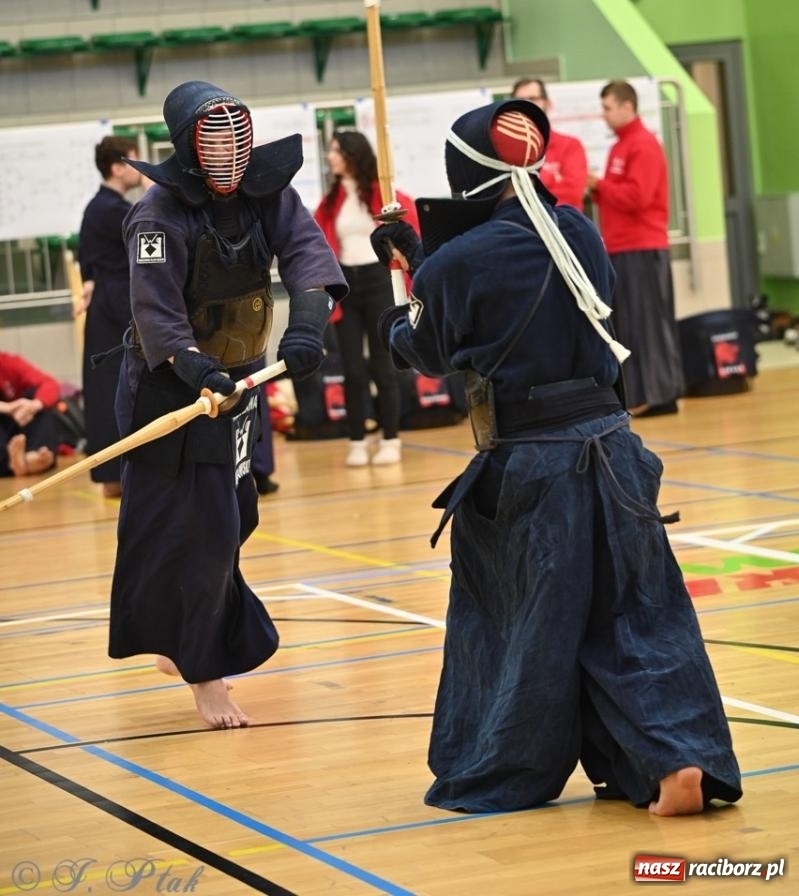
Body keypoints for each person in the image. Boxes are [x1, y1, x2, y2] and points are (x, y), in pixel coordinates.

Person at [370, 97, 742, 817]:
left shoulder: (459, 262)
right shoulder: (580, 231)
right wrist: (419, 260)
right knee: (637, 618)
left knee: (515, 628)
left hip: (531, 471)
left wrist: (401, 301)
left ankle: (500, 765)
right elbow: (513, 291)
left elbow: (425, 349)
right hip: (616, 452)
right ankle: (673, 760)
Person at [109, 80, 346, 729]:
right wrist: (194, 367)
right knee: (195, 529)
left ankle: (181, 640)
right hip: (172, 390)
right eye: (212, 145)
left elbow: (308, 258)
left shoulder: (268, 193)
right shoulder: (157, 213)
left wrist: (304, 327)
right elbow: (155, 310)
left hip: (240, 384)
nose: (227, 159)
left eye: (234, 143)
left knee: (233, 519)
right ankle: (204, 671)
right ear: (188, 148)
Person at [314, 130, 419, 467]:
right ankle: (357, 439)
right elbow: (316, 242)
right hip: (346, 285)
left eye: (335, 151)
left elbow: (408, 220)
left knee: (382, 365)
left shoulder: (382, 193)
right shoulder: (330, 203)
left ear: (353, 155)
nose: (330, 157)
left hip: (378, 280)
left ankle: (391, 438)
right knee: (352, 370)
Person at [586, 79, 684, 415]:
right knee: (630, 323)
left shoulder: (643, 145)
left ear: (628, 106)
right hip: (621, 247)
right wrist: (600, 188)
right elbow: (620, 192)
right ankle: (642, 392)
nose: (604, 115)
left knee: (648, 324)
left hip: (642, 246)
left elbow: (638, 197)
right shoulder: (621, 146)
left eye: (608, 107)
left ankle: (659, 395)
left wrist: (600, 185)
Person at [76, 135, 145, 499]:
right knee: (112, 388)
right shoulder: (110, 209)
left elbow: (85, 254)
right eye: (135, 161)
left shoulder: (101, 207)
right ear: (118, 167)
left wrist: (88, 281)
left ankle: (118, 473)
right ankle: (114, 473)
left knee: (114, 386)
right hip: (114, 305)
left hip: (109, 299)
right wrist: (155, 189)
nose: (139, 168)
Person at [512, 77, 588, 209]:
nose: (527, 105)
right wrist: (553, 179)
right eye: (520, 101)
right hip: (523, 228)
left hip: (563, 227)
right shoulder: (507, 151)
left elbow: (573, 195)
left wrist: (533, 181)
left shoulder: (570, 145)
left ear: (547, 103)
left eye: (533, 99)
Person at [0, 350, 61, 478]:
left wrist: (33, 405)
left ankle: (30, 457)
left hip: (16, 428)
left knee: (41, 402)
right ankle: (19, 463)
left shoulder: (8, 363)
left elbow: (49, 383)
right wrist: (7, 408)